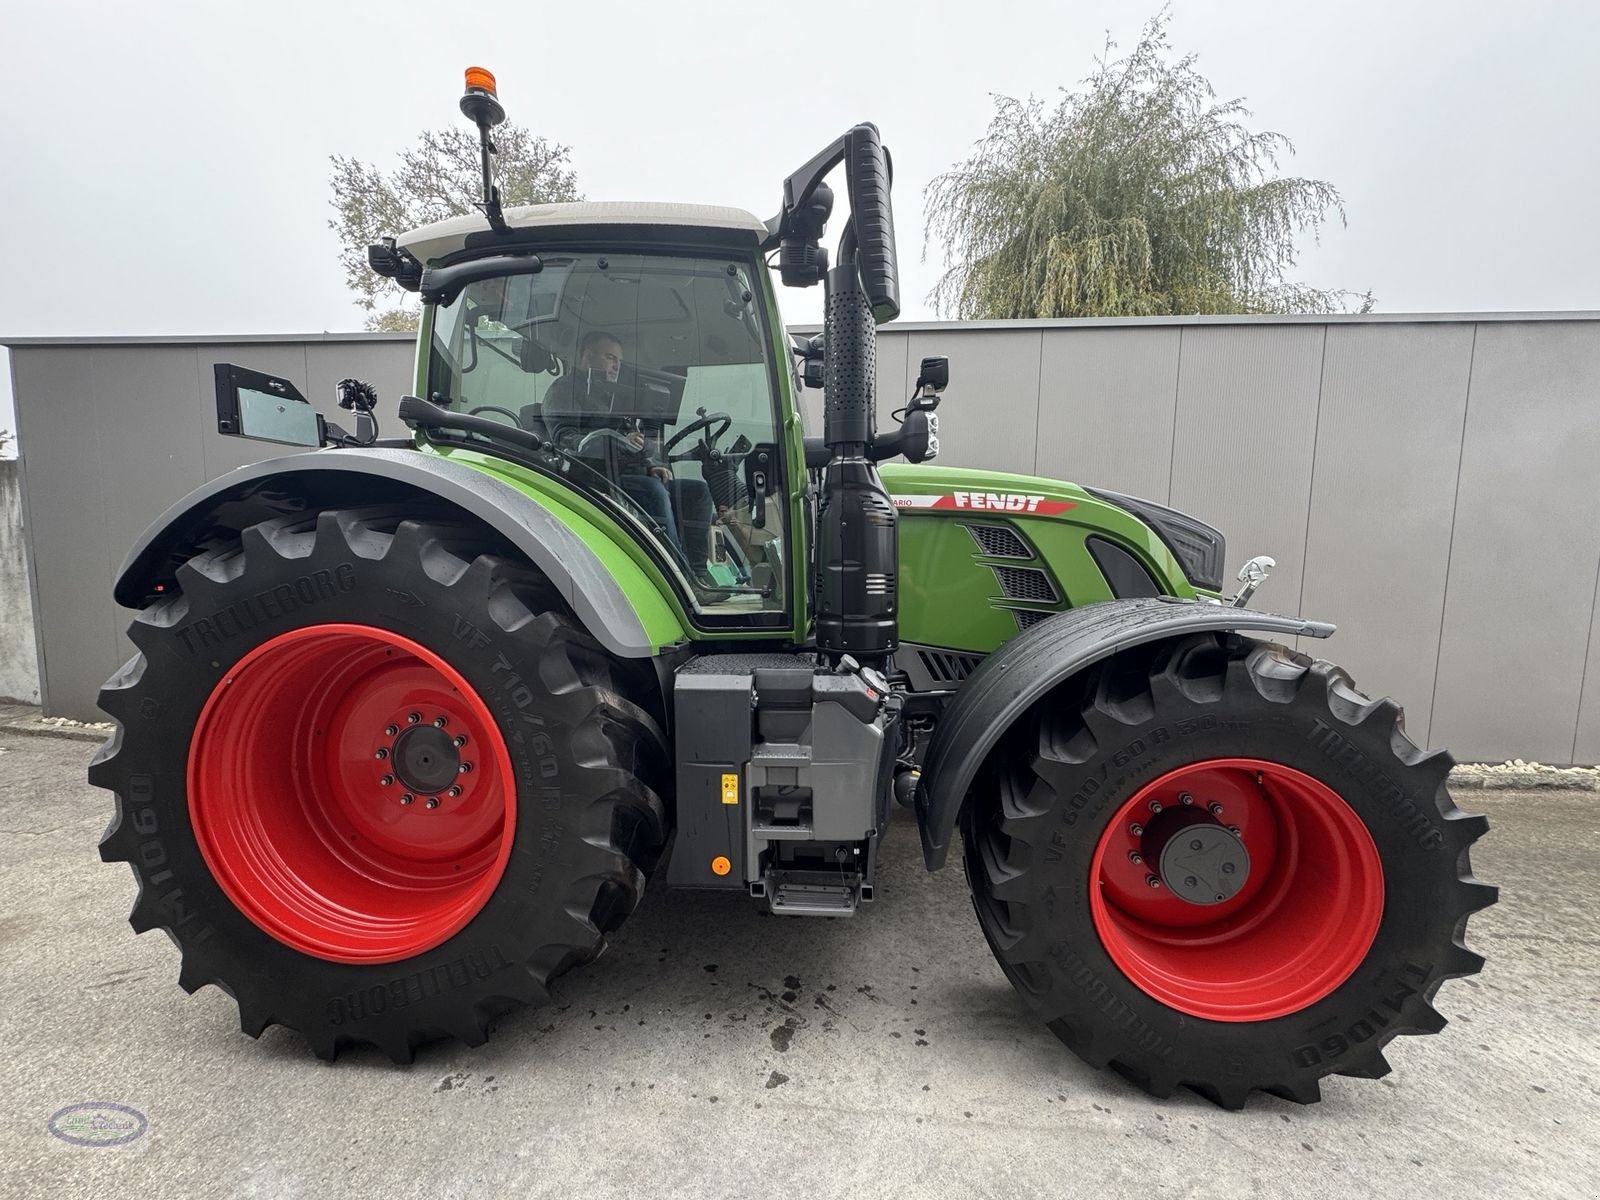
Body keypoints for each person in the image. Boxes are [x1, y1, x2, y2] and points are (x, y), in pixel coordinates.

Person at [539, 330, 716, 583]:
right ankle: (678, 579)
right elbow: (565, 438)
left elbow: (632, 439)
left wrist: (650, 464)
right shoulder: (564, 390)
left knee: (698, 492)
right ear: (587, 357)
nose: (615, 366)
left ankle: (699, 574)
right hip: (593, 477)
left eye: (618, 361)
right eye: (610, 358)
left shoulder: (613, 396)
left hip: (626, 473)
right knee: (654, 491)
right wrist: (614, 441)